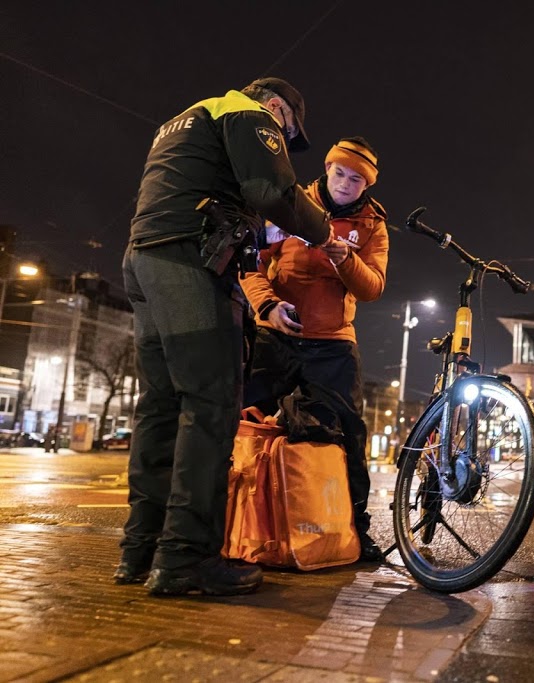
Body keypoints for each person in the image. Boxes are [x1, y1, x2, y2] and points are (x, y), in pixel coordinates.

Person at [118, 77, 334, 596]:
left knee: (161, 406)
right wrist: (323, 230)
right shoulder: (249, 115)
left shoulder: (189, 115)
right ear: (278, 107)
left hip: (143, 260)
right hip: (188, 265)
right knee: (211, 404)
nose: (285, 137)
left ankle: (140, 551)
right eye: (289, 129)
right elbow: (271, 191)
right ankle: (187, 559)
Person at [240, 136, 389, 561]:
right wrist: (266, 306)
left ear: (367, 185)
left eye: (356, 179)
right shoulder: (290, 205)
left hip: (332, 344)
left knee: (347, 436)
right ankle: (239, 525)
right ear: (326, 168)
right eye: (339, 172)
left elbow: (373, 287)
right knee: (251, 424)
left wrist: (344, 257)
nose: (345, 183)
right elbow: (249, 262)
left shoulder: (373, 225)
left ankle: (355, 531)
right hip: (276, 334)